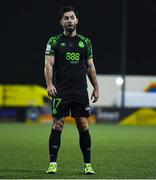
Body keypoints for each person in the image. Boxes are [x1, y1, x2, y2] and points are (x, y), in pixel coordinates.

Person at [44, 6, 99, 175]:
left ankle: (87, 165)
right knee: (58, 124)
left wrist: (96, 87)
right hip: (61, 90)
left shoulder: (85, 42)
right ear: (61, 21)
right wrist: (49, 84)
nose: (69, 20)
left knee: (83, 125)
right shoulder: (54, 41)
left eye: (72, 17)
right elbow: (48, 64)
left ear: (77, 21)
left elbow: (90, 66)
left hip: (80, 91)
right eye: (66, 18)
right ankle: (53, 163)